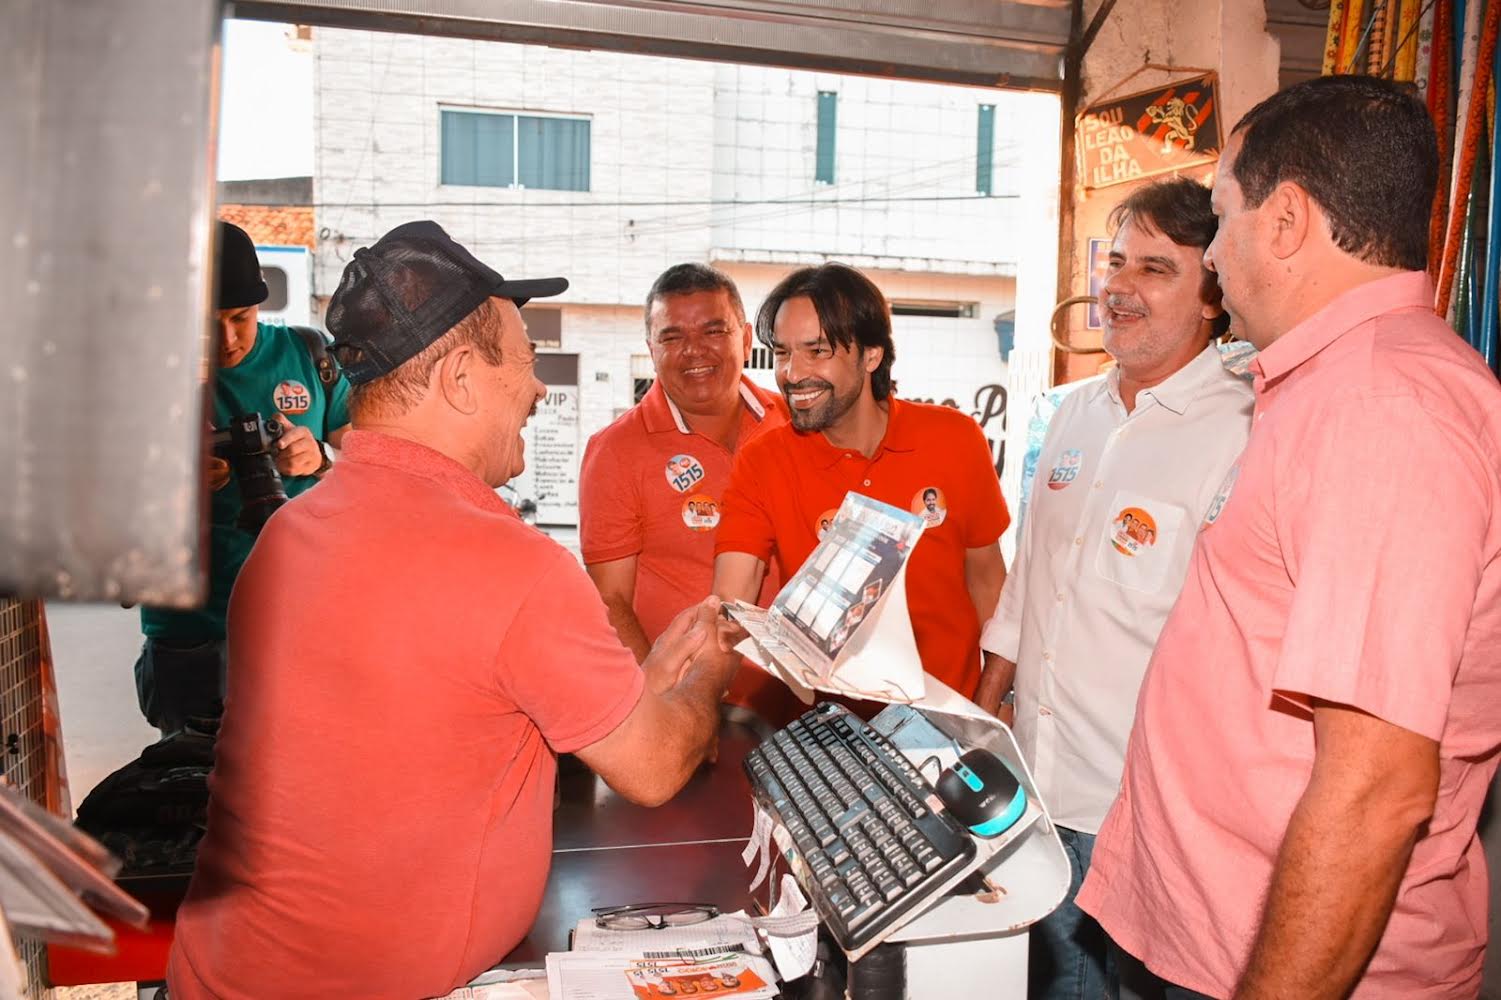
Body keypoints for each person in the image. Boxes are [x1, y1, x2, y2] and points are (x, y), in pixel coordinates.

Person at [168, 221, 744, 999]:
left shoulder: (290, 534)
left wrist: (655, 673)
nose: (539, 391)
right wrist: (709, 669)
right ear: (463, 379)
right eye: (528, 361)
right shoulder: (510, 565)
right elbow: (653, 766)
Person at [1077, 75, 1501, 999]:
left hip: (1279, 962)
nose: (1212, 254)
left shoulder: (1382, 408)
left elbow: (1375, 788)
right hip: (1216, 933)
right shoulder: (1331, 386)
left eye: (1222, 215)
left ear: (1285, 221)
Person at [976, 178, 1252, 1000]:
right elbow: (1031, 577)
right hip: (1035, 794)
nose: (1120, 288)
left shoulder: (1243, 427)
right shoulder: (1071, 413)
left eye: (1155, 269)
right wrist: (986, 714)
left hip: (1143, 811)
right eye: (1117, 263)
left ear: (1211, 295)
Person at [713, 263, 1008, 699]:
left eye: (817, 351)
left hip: (948, 723)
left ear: (871, 355)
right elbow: (730, 599)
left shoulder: (955, 439)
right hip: (830, 726)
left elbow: (989, 586)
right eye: (782, 353)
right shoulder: (762, 461)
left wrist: (995, 704)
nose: (792, 373)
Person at [133, 221, 351, 735]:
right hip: (190, 632)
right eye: (206, 324)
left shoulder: (309, 356)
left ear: (260, 305)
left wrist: (321, 459)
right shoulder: (149, 378)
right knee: (190, 779)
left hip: (301, 619)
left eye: (240, 318)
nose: (227, 340)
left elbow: (374, 466)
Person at [580, 264, 796, 722]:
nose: (694, 350)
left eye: (714, 330)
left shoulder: (796, 425)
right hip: (695, 711)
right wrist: (666, 712)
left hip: (805, 704)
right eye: (672, 336)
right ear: (651, 350)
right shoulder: (615, 451)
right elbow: (609, 601)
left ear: (745, 339)